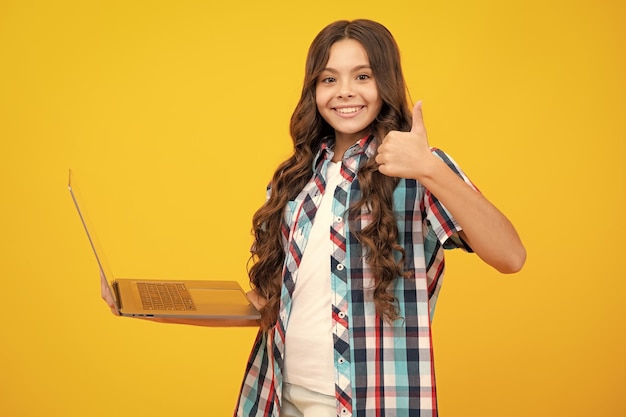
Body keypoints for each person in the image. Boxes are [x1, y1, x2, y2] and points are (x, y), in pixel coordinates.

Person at [102, 18, 525, 417]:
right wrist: (144, 305)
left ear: (386, 82)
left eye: (362, 76)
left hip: (366, 404)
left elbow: (510, 255)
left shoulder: (416, 169)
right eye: (329, 78)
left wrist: (431, 168)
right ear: (314, 89)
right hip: (278, 395)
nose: (344, 91)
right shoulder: (295, 180)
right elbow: (264, 308)